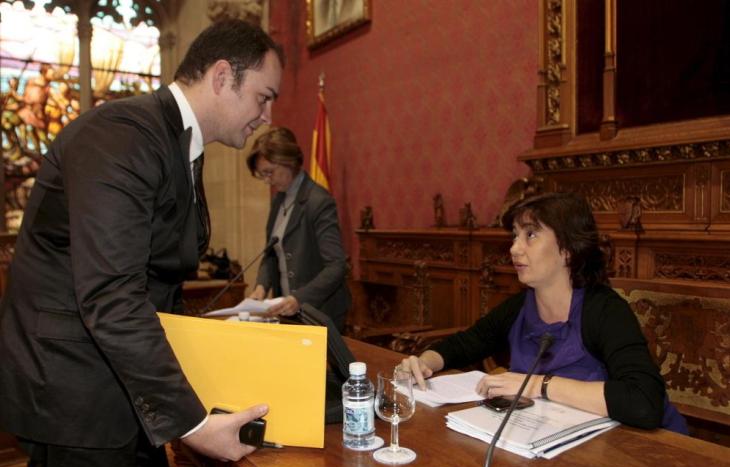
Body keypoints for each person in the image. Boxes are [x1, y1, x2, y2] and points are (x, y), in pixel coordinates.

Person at [0, 20, 284, 467]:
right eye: (263, 97)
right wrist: (193, 426)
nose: (267, 116)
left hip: (125, 391)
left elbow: (157, 281)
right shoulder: (122, 135)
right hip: (76, 397)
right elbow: (111, 295)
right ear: (222, 77)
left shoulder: (176, 143)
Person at [400, 192, 687, 433]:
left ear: (568, 248)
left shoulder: (605, 310)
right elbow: (466, 343)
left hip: (648, 449)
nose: (514, 248)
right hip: (555, 439)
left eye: (531, 235)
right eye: (515, 236)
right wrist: (425, 362)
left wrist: (536, 385)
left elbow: (643, 402)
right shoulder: (519, 307)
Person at [246, 127, 350, 333]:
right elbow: (271, 253)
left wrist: (299, 298)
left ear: (288, 162)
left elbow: (337, 266)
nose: (267, 181)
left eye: (269, 172)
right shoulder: (278, 201)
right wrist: (261, 287)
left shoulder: (318, 201)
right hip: (289, 316)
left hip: (321, 314)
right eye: (262, 174)